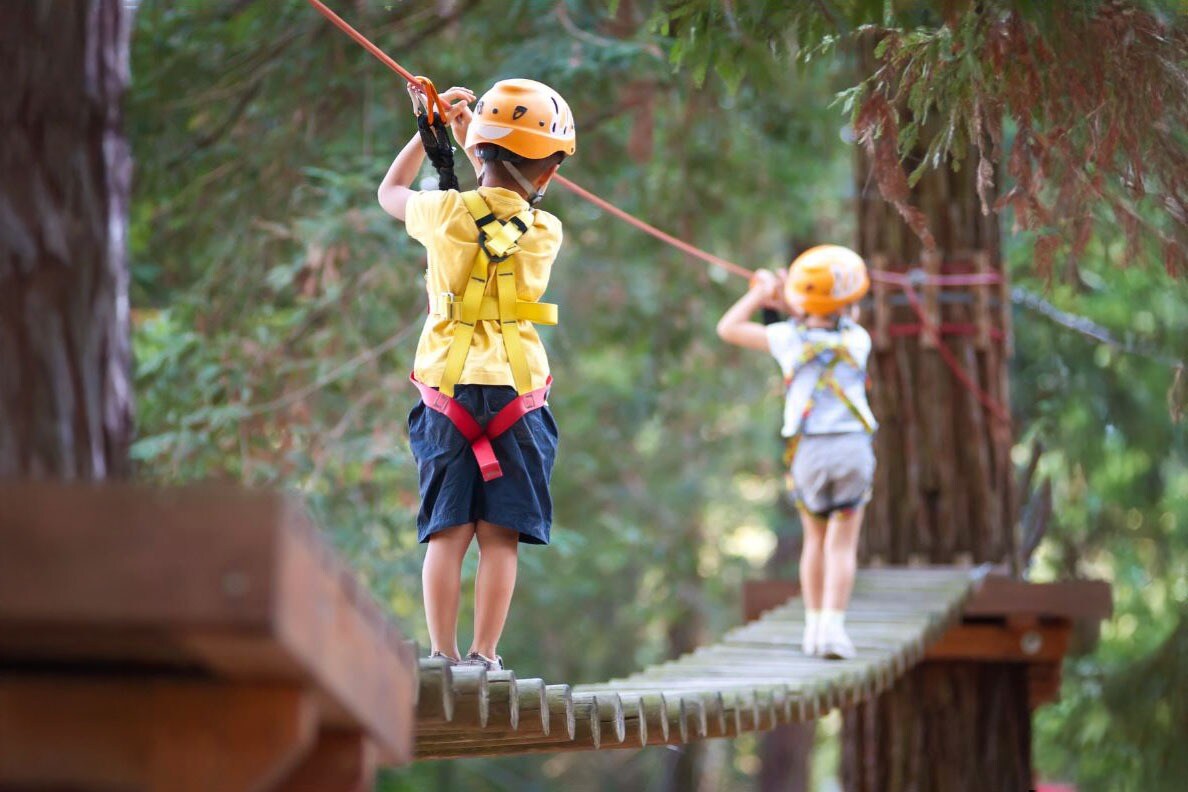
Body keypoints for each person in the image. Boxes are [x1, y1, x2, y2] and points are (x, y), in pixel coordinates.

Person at [377, 78, 576, 670]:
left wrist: (427, 131)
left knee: (448, 533)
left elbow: (390, 191)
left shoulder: (441, 214)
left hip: (449, 393)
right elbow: (511, 204)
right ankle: (484, 655)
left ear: (483, 151)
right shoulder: (546, 232)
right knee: (500, 537)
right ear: (550, 172)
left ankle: (440, 653)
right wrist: (472, 141)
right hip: (518, 395)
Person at [716, 246, 876, 659]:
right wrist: (790, 292)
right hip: (852, 450)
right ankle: (834, 630)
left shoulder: (786, 339)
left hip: (809, 453)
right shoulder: (859, 340)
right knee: (841, 545)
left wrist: (761, 293)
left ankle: (812, 629)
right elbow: (828, 308)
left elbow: (729, 328)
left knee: (814, 541)